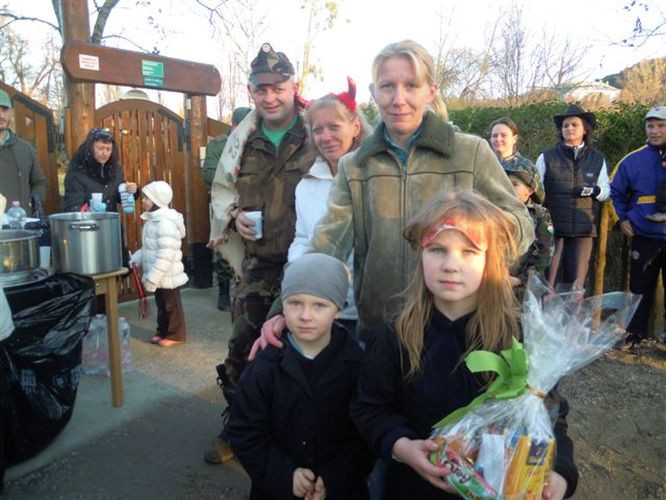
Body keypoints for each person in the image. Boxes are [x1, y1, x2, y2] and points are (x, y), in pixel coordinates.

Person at [254, 39, 534, 352]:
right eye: (388, 86)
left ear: (431, 90)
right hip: (379, 331)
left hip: (459, 330)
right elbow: (326, 245)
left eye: (411, 85)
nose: (399, 99)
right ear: (374, 93)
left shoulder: (470, 153)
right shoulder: (355, 165)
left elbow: (522, 227)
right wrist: (284, 306)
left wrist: (473, 227)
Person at [350, 190, 578, 500]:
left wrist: (560, 473)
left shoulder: (521, 337)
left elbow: (550, 416)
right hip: (415, 489)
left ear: (491, 259)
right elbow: (371, 408)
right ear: (420, 255)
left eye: (469, 252)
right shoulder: (395, 336)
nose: (450, 265)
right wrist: (403, 447)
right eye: (437, 250)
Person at [205, 42, 316, 464]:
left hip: (308, 265)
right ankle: (238, 427)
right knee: (242, 346)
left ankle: (299, 435)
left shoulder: (316, 133)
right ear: (251, 91)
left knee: (307, 348)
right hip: (259, 262)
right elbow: (222, 192)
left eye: (278, 87)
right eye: (260, 88)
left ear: (294, 86)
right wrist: (234, 218)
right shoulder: (241, 141)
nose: (270, 96)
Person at [227, 253, 374, 500]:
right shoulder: (264, 367)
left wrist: (334, 478)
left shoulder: (357, 367)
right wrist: (283, 475)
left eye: (319, 305)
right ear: (282, 306)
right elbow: (245, 432)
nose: (306, 315)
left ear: (338, 309)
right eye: (295, 303)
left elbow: (365, 435)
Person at [289, 79, 371, 335]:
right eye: (318, 130)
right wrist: (300, 273)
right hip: (321, 307)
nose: (326, 137)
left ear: (355, 126)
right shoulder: (307, 185)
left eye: (334, 127)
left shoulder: (376, 179)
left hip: (369, 310)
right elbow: (302, 237)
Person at [535, 104, 610, 290]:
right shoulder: (546, 157)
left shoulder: (597, 159)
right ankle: (545, 319)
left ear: (585, 129)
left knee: (576, 288)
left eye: (574, 124)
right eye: (565, 125)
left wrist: (595, 191)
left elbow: (606, 191)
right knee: (548, 284)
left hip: (583, 232)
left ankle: (574, 320)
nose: (569, 128)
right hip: (552, 231)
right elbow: (537, 192)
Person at [610, 105, 666, 349]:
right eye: (650, 126)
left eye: (661, 126)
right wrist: (623, 219)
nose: (654, 131)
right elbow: (615, 192)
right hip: (644, 234)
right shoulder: (632, 160)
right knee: (640, 288)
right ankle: (634, 334)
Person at [202, 107, 252, 311]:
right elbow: (209, 174)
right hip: (225, 202)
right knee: (226, 244)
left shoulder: (255, 141)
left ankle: (247, 289)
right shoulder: (218, 145)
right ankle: (223, 292)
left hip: (250, 202)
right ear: (234, 126)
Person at [130, 181, 188, 347]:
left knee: (171, 305)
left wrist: (154, 276)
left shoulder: (165, 223)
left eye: (147, 198)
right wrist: (135, 259)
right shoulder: (152, 221)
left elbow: (166, 254)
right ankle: (162, 331)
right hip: (158, 275)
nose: (143, 201)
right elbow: (148, 248)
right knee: (161, 305)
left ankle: (176, 335)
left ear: (157, 200)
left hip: (167, 273)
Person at [503, 157, 554, 292]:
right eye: (506, 183)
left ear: (529, 190)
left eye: (515, 184)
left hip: (524, 287)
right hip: (495, 282)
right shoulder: (495, 210)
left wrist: (522, 279)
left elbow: (545, 251)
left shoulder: (540, 214)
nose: (508, 187)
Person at [63, 127, 139, 212]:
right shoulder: (77, 173)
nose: (105, 153)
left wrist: (130, 190)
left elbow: (119, 196)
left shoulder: (115, 169)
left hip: (111, 222)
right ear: (90, 148)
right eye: (100, 148)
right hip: (88, 223)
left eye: (108, 149)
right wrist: (89, 210)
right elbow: (72, 205)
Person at [0, 89, 47, 211]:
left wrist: (33, 201)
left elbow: (39, 183)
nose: (1, 115)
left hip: (20, 224)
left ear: (11, 112)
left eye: (5, 109)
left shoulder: (26, 149)